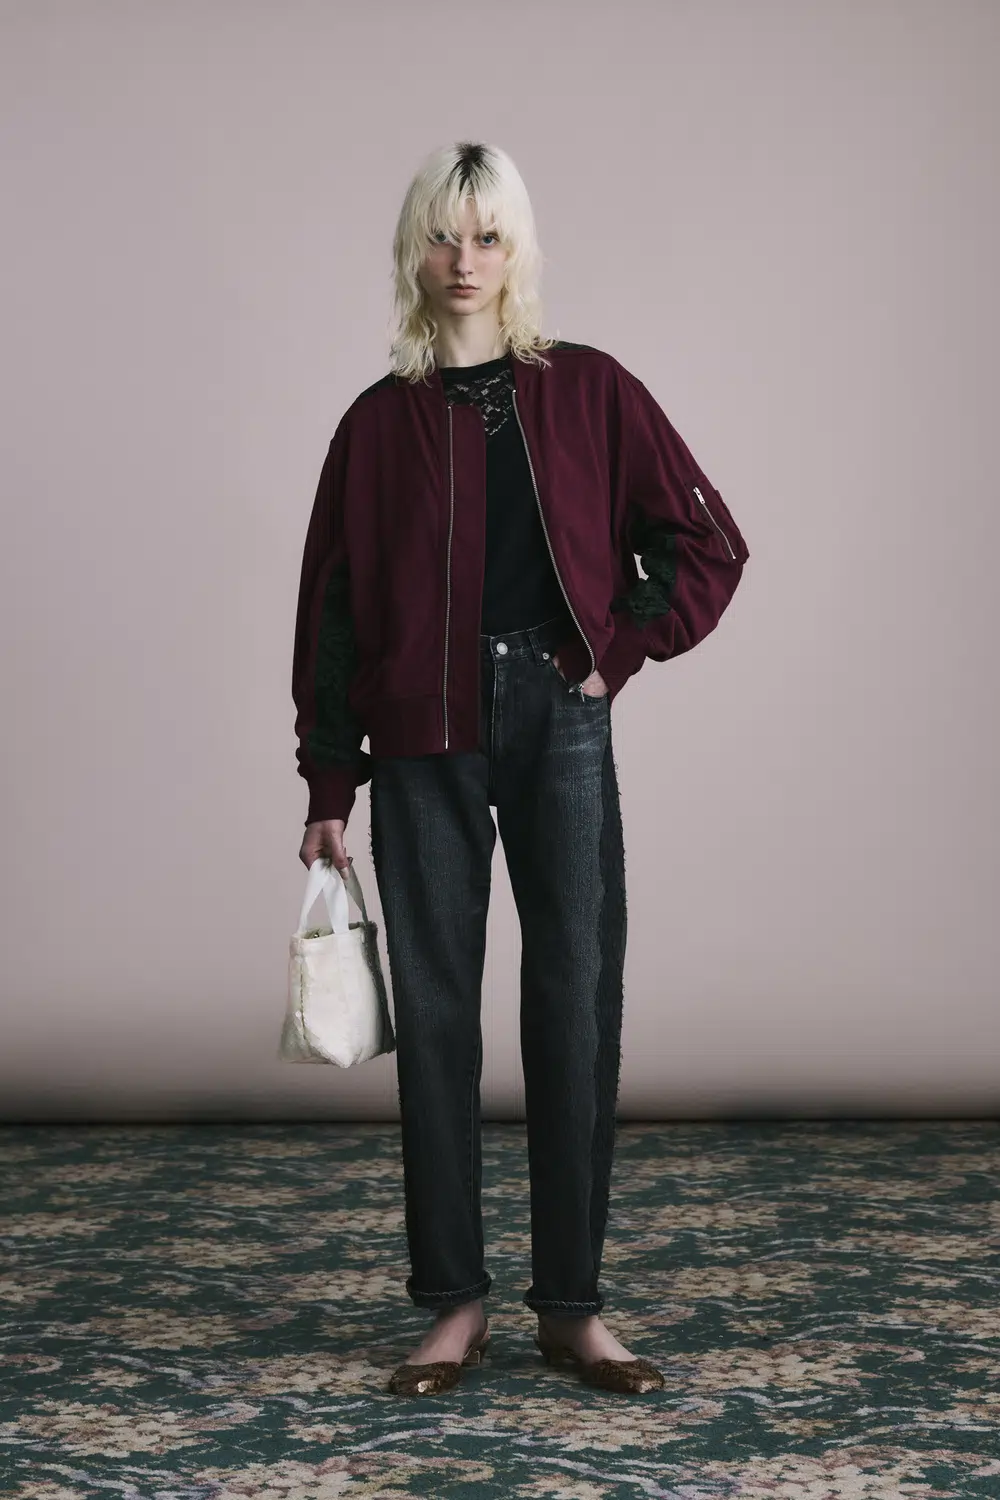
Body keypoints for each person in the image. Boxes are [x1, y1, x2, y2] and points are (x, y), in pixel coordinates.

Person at [291, 141, 750, 1396]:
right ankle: (453, 1304)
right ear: (414, 250)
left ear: (517, 252)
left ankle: (572, 1308)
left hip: (559, 722)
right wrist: (329, 785)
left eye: (488, 236)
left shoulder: (590, 390)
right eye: (445, 236)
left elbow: (707, 541)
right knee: (437, 1013)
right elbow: (331, 614)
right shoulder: (374, 425)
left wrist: (617, 652)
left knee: (574, 1001)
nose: (465, 261)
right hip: (420, 735)